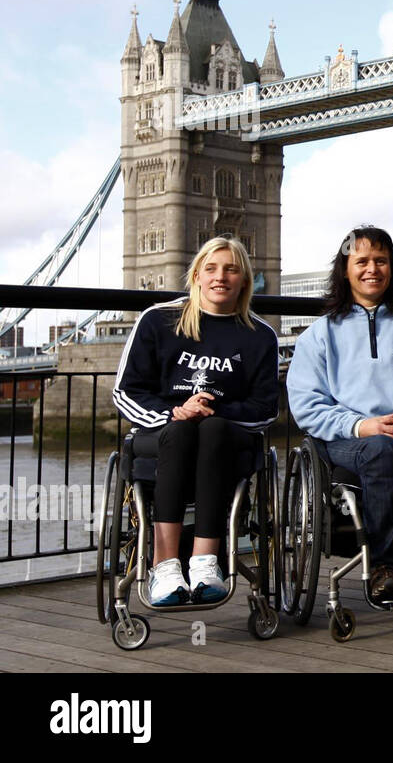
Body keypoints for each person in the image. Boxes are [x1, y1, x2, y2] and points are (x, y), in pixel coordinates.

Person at [287, 226, 393, 601]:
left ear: (392, 269)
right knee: (380, 450)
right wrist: (361, 425)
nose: (372, 269)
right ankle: (383, 565)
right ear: (345, 270)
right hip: (348, 439)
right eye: (361, 261)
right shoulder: (319, 335)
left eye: (381, 261)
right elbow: (307, 405)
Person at [113, 237, 279, 606]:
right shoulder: (158, 320)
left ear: (244, 281)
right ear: (197, 277)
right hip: (163, 430)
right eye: (212, 269)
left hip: (224, 434)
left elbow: (266, 407)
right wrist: (173, 412)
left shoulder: (259, 336)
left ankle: (205, 561)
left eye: (231, 269)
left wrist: (215, 411)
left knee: (212, 429)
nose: (221, 277)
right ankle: (165, 563)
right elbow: (126, 391)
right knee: (181, 433)